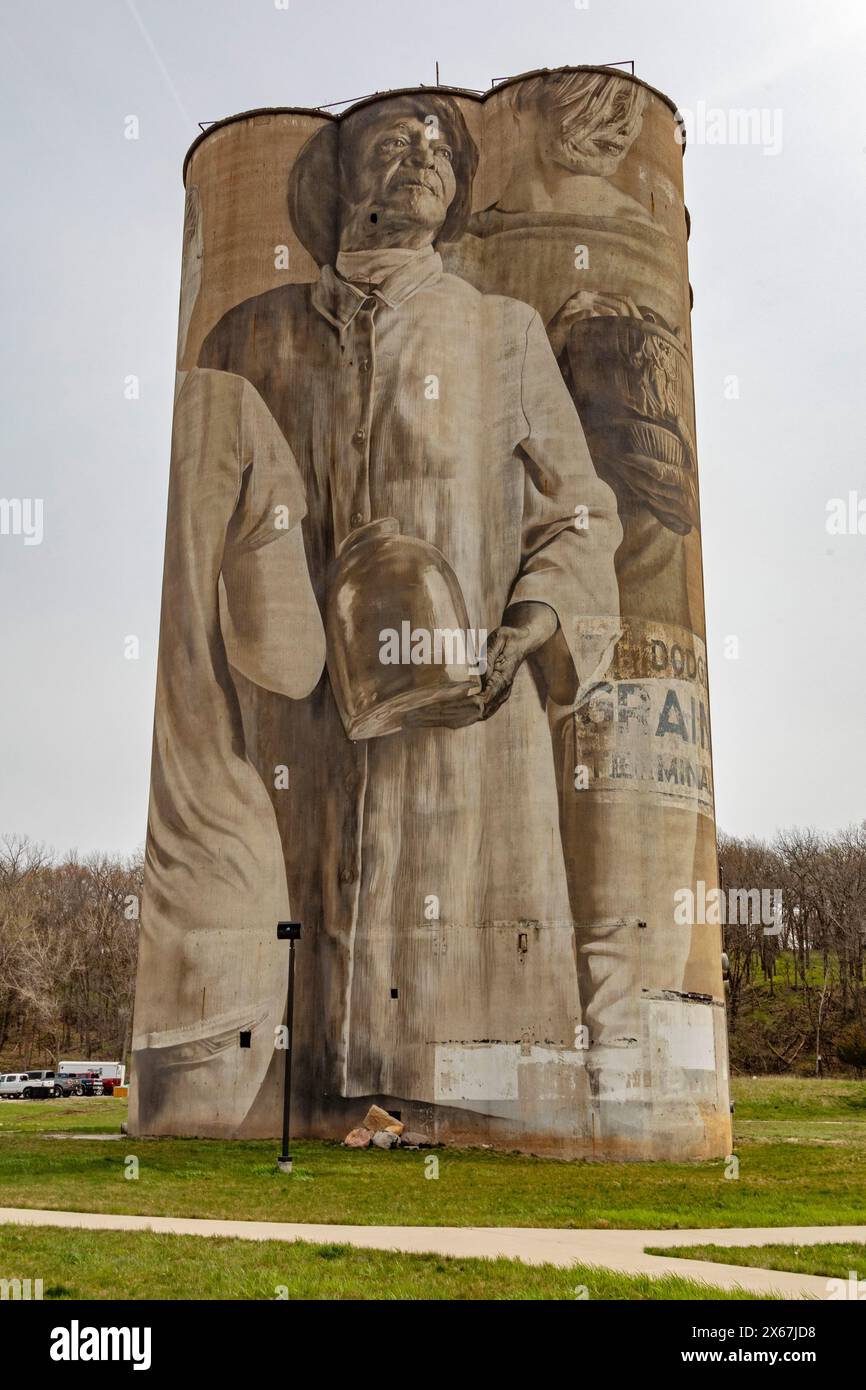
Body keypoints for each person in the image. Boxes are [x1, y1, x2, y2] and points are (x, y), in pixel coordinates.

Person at [198, 94, 622, 1124]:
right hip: (300, 726)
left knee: (462, 949)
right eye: (391, 144)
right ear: (338, 185)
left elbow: (579, 511)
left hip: (466, 726)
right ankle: (287, 1093)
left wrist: (531, 622)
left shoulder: (501, 332)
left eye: (438, 148)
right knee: (296, 922)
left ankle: (471, 1107)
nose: (421, 158)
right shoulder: (255, 336)